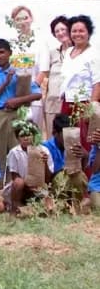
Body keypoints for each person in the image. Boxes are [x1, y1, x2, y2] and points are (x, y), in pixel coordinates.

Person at [0, 39, 41, 179]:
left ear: (10, 53)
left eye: (2, 52)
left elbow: (38, 94)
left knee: (19, 150)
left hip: (19, 115)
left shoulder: (20, 71)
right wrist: (5, 83)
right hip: (0, 115)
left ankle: (19, 183)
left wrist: (17, 100)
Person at [59, 15, 99, 154]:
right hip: (67, 101)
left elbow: (97, 83)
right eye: (74, 31)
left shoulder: (94, 54)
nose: (77, 34)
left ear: (89, 33)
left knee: (83, 143)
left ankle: (86, 174)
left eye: (81, 31)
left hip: (84, 103)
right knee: (67, 140)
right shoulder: (69, 51)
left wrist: (91, 109)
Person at [3, 122, 53, 215]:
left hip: (39, 188)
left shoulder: (43, 151)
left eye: (29, 135)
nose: (26, 138)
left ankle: (35, 206)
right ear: (17, 138)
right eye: (22, 136)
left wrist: (45, 163)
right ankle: (14, 208)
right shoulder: (14, 152)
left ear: (34, 135)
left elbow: (48, 178)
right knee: (18, 182)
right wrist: (28, 185)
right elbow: (14, 176)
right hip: (21, 189)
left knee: (48, 208)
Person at [43, 114, 88, 213]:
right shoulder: (45, 148)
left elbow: (83, 172)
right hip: (54, 188)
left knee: (79, 176)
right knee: (61, 176)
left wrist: (84, 156)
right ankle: (60, 204)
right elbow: (47, 179)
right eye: (65, 136)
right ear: (55, 133)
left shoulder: (75, 146)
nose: (69, 139)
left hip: (72, 186)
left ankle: (76, 204)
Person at [36, 16, 71, 137]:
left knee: (71, 137)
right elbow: (43, 72)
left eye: (63, 29)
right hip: (52, 103)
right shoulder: (52, 53)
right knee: (53, 137)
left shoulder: (80, 52)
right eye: (57, 31)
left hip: (70, 102)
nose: (61, 33)